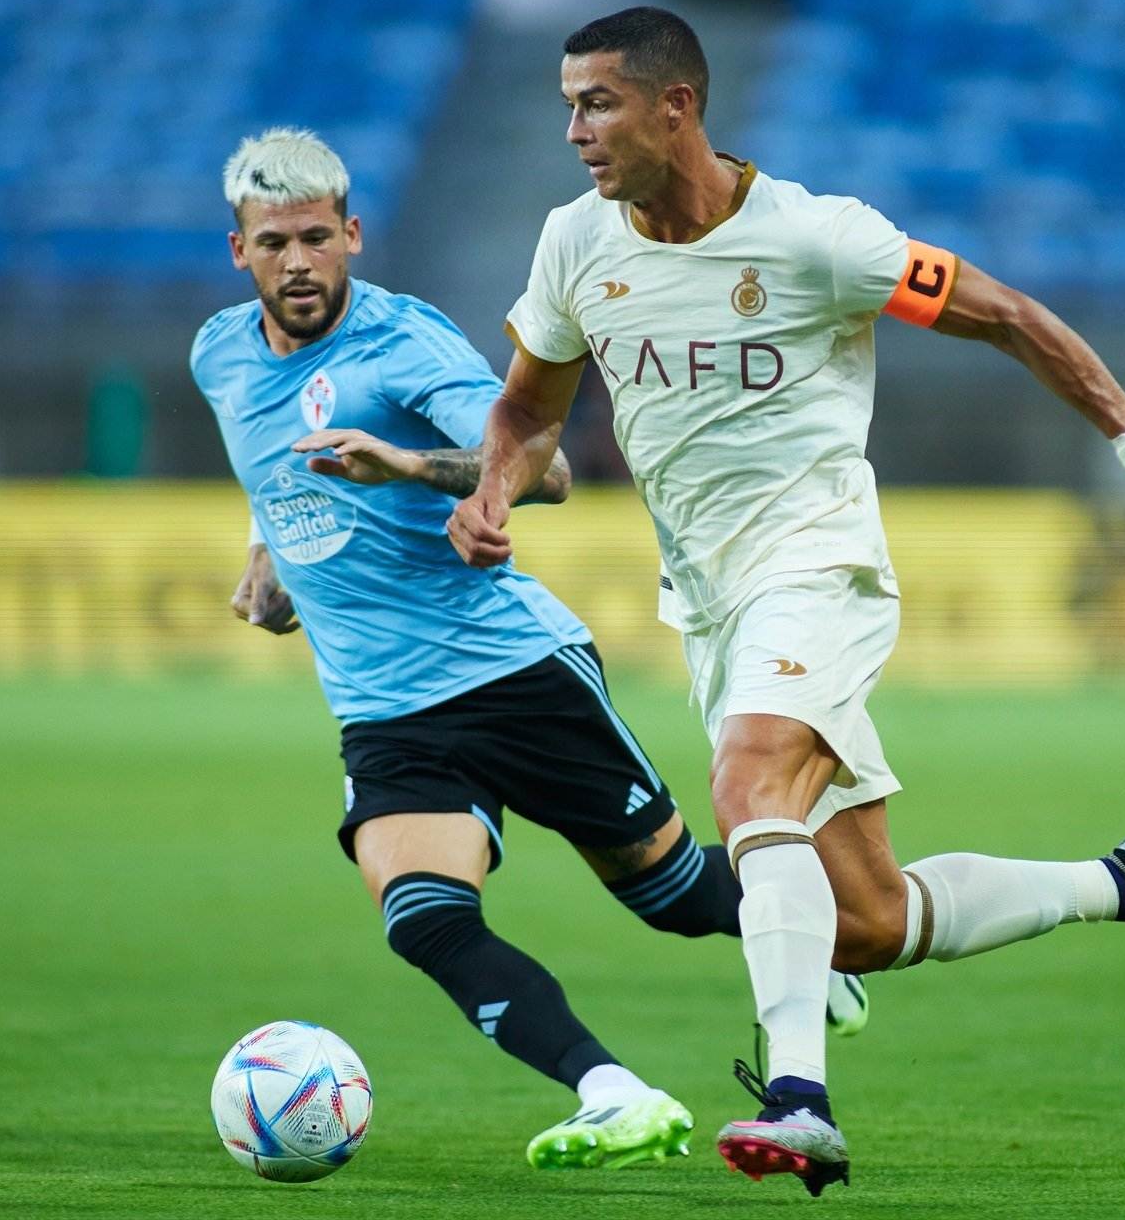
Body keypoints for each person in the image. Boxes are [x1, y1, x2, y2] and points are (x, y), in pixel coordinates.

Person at [446, 8, 1125, 1195]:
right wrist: (493, 492)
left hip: (819, 566)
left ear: (678, 105)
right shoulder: (575, 244)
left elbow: (1011, 316)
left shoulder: (822, 239)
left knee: (748, 784)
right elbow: (528, 408)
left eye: (598, 102)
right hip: (712, 604)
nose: (574, 129)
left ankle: (800, 1097)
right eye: (568, 104)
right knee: (866, 917)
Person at [190, 127, 868, 1173]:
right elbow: (266, 459)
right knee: (422, 917)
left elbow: (540, 469)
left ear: (352, 235)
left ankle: (804, 936)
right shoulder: (218, 353)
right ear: (239, 252)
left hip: (510, 671)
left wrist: (408, 466)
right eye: (273, 242)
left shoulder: (404, 345)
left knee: (673, 892)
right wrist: (266, 550)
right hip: (382, 707)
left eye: (317, 237)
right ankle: (616, 1092)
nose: (298, 261)